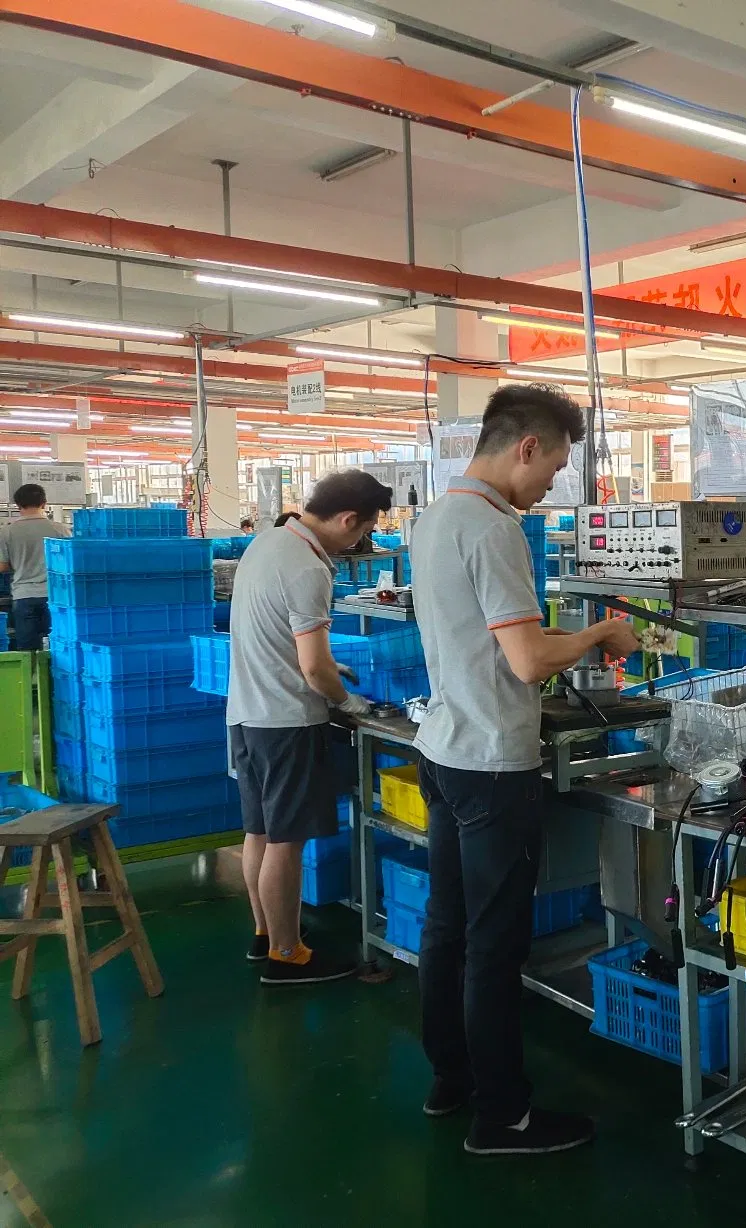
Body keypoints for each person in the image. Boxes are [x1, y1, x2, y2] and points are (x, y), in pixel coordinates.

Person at [411, 384, 639, 1158]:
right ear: (526, 447)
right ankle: (502, 1118)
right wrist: (601, 634)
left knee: (445, 929)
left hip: (443, 749)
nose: (553, 484)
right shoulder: (492, 528)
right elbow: (529, 658)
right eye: (556, 466)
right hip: (489, 765)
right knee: (493, 946)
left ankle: (451, 1080)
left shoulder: (435, 517)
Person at [227, 469, 392, 985]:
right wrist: (349, 701)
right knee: (288, 840)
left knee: (260, 830)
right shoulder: (308, 566)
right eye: (364, 531)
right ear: (347, 519)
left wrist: (323, 667)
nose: (360, 542)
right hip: (287, 722)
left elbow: (272, 632)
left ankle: (265, 934)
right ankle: (288, 955)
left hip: (247, 713)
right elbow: (315, 668)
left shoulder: (269, 541)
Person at [0, 485, 70, 651]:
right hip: (57, 596)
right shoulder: (60, 530)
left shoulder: (6, 532)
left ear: (18, 505)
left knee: (28, 651)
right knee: (60, 646)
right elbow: (71, 562)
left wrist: (19, 562)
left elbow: (2, 566)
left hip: (24, 596)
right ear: (44, 503)